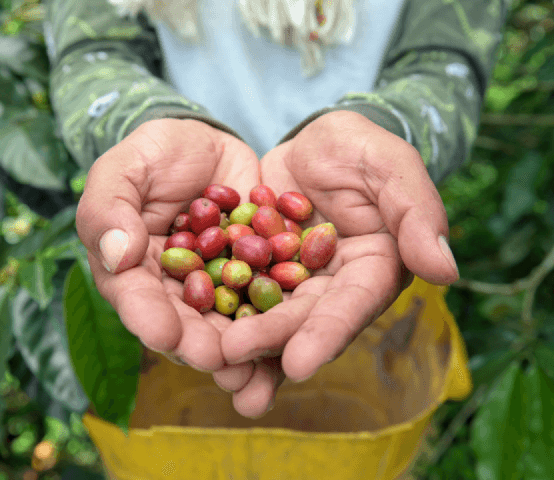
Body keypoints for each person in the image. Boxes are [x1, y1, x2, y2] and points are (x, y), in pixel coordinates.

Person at [45, 0, 506, 419]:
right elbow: (93, 50)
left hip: (365, 220)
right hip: (176, 194)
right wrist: (141, 122)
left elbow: (446, 61)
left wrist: (391, 128)